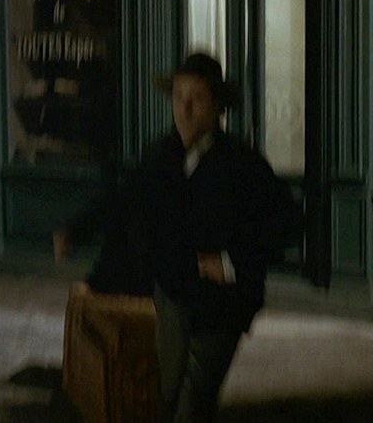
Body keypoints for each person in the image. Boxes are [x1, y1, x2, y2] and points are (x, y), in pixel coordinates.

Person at [87, 53, 301, 422]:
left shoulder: (242, 164)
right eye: (178, 97)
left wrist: (230, 263)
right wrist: (77, 233)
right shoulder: (161, 155)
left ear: (217, 106)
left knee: (194, 401)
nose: (183, 109)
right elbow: (126, 205)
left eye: (196, 98)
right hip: (173, 295)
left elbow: (289, 224)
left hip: (221, 305)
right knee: (166, 393)